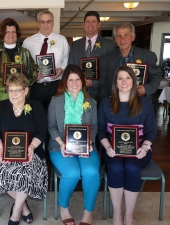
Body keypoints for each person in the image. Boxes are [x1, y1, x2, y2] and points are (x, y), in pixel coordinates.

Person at [0, 73, 48, 225]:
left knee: (25, 174)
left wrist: (32, 146)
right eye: (10, 90)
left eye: (17, 90)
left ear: (26, 90)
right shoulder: (1, 107)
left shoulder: (36, 106)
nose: (13, 94)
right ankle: (24, 208)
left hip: (31, 153)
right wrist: (1, 149)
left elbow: (42, 131)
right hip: (4, 152)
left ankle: (15, 213)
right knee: (0, 173)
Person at [98, 65, 157, 225]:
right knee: (115, 168)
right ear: (115, 82)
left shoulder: (144, 103)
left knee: (132, 168)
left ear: (134, 81)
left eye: (128, 78)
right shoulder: (105, 103)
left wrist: (144, 147)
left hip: (139, 149)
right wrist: (107, 147)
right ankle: (117, 214)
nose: (124, 82)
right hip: (112, 149)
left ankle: (128, 215)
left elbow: (152, 131)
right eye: (120, 78)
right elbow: (101, 130)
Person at [48, 64, 100, 225]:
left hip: (86, 146)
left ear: (83, 81)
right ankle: (63, 207)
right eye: (71, 80)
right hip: (60, 146)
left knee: (91, 172)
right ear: (65, 82)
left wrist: (89, 142)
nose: (75, 83)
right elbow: (51, 126)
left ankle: (88, 212)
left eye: (78, 79)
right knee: (72, 173)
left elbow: (94, 126)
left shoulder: (90, 102)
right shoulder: (56, 101)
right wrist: (61, 143)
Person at [99, 22, 162, 102]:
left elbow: (156, 76)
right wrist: (107, 102)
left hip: (140, 102)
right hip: (115, 103)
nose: (122, 39)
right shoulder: (106, 59)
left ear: (133, 37)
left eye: (126, 35)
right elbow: (103, 85)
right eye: (119, 36)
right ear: (115, 39)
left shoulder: (148, 56)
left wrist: (146, 88)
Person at [22, 10, 69, 111]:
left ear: (53, 23)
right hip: (36, 86)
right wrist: (33, 74)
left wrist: (61, 69)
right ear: (38, 24)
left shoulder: (62, 40)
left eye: (48, 21)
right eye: (42, 22)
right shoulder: (28, 42)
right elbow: (24, 65)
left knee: (56, 115)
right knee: (35, 115)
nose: (46, 24)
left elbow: (67, 58)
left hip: (56, 85)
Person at [0, 18, 37, 105]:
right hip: (0, 99)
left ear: (17, 34)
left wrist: (20, 88)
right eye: (7, 32)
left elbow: (33, 74)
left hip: (22, 99)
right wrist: (8, 89)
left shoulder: (25, 52)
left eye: (13, 31)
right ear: (2, 34)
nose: (11, 34)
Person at [68, 11, 115, 102]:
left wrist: (94, 83)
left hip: (99, 92)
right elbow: (71, 66)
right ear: (83, 24)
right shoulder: (75, 44)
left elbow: (111, 70)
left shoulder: (108, 44)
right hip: (78, 90)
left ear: (99, 24)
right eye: (87, 21)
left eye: (93, 21)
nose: (90, 24)